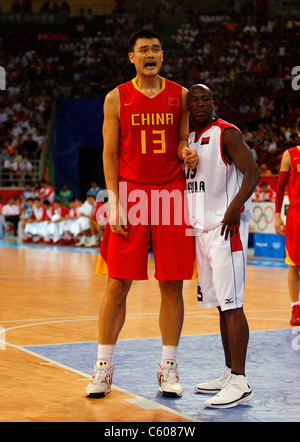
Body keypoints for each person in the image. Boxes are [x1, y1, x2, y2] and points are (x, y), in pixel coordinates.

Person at [85, 29, 197, 399]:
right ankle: (102, 367)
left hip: (171, 193)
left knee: (172, 283)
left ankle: (168, 368)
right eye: (143, 50)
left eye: (155, 49)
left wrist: (185, 152)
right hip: (131, 194)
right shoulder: (116, 98)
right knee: (117, 283)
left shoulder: (180, 95)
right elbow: (109, 154)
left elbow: (182, 139)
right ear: (131, 57)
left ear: (162, 55)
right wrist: (113, 200)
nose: (150, 54)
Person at [185, 84, 260, 408]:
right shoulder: (188, 140)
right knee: (220, 304)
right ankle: (230, 372)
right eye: (195, 100)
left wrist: (236, 207)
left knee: (232, 304)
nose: (200, 104)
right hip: (201, 232)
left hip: (225, 230)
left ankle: (241, 381)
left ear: (214, 103)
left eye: (206, 99)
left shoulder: (226, 134)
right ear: (188, 107)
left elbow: (253, 173)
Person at [274, 119, 300, 326]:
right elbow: (280, 187)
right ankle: (295, 308)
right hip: (296, 214)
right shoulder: (289, 155)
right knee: (295, 264)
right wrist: (276, 215)